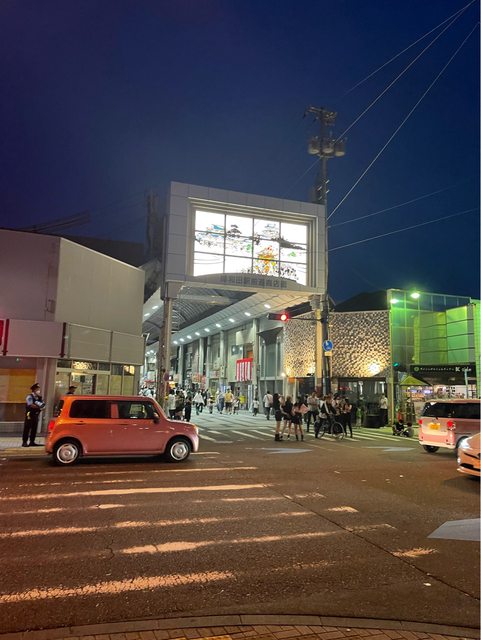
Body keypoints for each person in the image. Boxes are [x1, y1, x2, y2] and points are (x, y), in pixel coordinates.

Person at [22, 383, 45, 447]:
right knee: (27, 428)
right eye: (37, 389)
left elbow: (43, 404)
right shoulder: (30, 397)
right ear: (34, 390)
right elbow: (31, 405)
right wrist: (39, 407)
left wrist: (42, 406)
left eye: (39, 389)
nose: (39, 391)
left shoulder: (39, 397)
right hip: (29, 414)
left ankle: (32, 442)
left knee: (34, 428)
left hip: (36, 414)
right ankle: (24, 442)